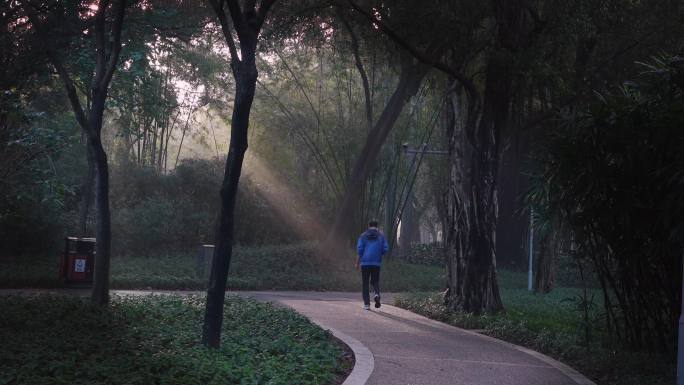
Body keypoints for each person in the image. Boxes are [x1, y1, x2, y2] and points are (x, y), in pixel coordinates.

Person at [355, 220, 389, 310]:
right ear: (377, 226)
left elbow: (360, 250)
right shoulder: (381, 236)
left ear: (368, 226)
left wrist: (357, 263)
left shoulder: (363, 236)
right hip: (376, 263)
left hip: (365, 263)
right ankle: (377, 294)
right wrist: (379, 253)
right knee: (375, 281)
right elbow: (385, 249)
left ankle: (367, 305)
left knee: (365, 283)